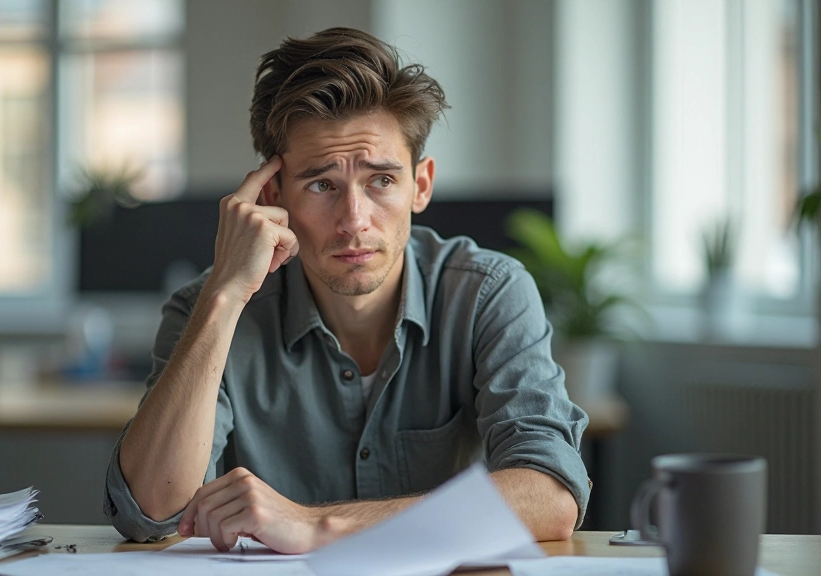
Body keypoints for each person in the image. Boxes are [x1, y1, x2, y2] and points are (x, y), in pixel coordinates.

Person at [104, 27, 589, 554]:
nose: (354, 221)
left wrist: (321, 526)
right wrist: (223, 295)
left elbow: (549, 495)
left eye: (381, 181)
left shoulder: (488, 293)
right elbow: (150, 510)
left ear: (420, 186)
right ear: (272, 194)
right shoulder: (210, 306)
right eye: (321, 184)